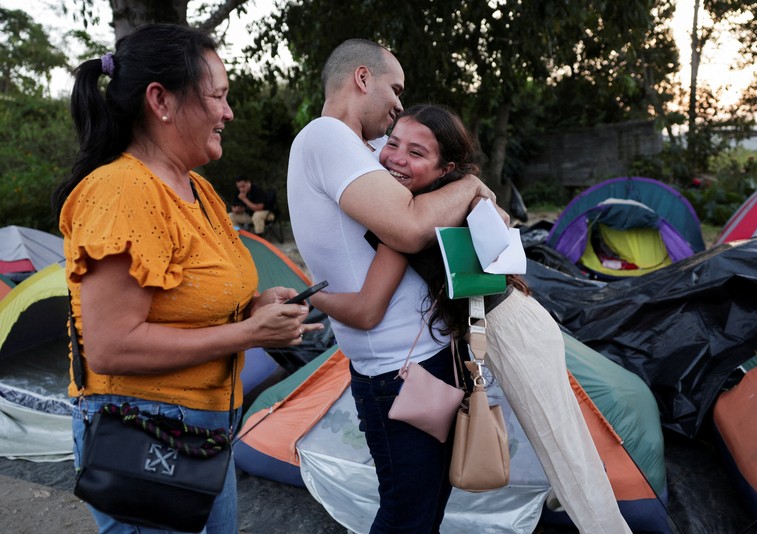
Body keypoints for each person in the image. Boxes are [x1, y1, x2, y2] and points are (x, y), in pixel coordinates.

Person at [311, 104, 633, 533]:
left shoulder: (414, 218)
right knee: (563, 438)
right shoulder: (438, 198)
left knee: (566, 452)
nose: (395, 158)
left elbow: (369, 307)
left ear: (447, 167)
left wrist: (317, 297)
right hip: (505, 328)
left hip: (513, 330)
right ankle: (564, 493)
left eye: (417, 152)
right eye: (392, 144)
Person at [51, 23, 322, 534]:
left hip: (204, 432)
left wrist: (254, 308)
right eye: (218, 96)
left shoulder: (197, 188)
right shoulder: (120, 192)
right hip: (142, 434)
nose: (228, 112)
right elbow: (111, 347)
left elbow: (188, 303)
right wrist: (247, 335)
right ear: (161, 100)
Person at [286, 39, 503, 533]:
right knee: (410, 514)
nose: (400, 103)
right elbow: (408, 227)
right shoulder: (326, 136)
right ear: (363, 78)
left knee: (426, 507)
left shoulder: (363, 152)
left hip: (424, 360)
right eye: (395, 88)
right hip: (397, 372)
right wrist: (469, 185)